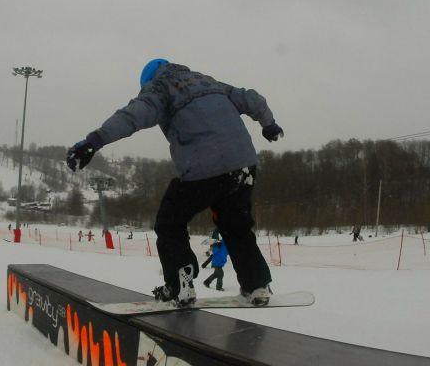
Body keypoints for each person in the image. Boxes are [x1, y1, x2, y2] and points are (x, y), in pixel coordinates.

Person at [66, 58, 283, 307]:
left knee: (170, 223)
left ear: (148, 81)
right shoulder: (208, 81)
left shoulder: (160, 88)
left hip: (204, 168)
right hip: (243, 164)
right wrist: (269, 124)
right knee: (237, 225)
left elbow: (132, 116)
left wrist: (94, 141)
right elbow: (252, 98)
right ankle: (257, 285)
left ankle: (180, 286)